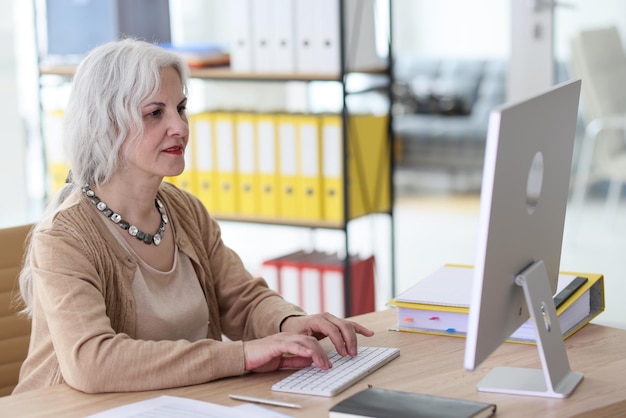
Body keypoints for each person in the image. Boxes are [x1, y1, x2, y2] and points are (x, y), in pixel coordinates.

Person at [13, 38, 374, 394]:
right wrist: (241, 355)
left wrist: (290, 322)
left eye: (181, 108)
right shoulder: (64, 238)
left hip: (173, 402)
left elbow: (241, 299)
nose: (180, 127)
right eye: (156, 113)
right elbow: (93, 363)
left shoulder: (184, 210)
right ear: (107, 125)